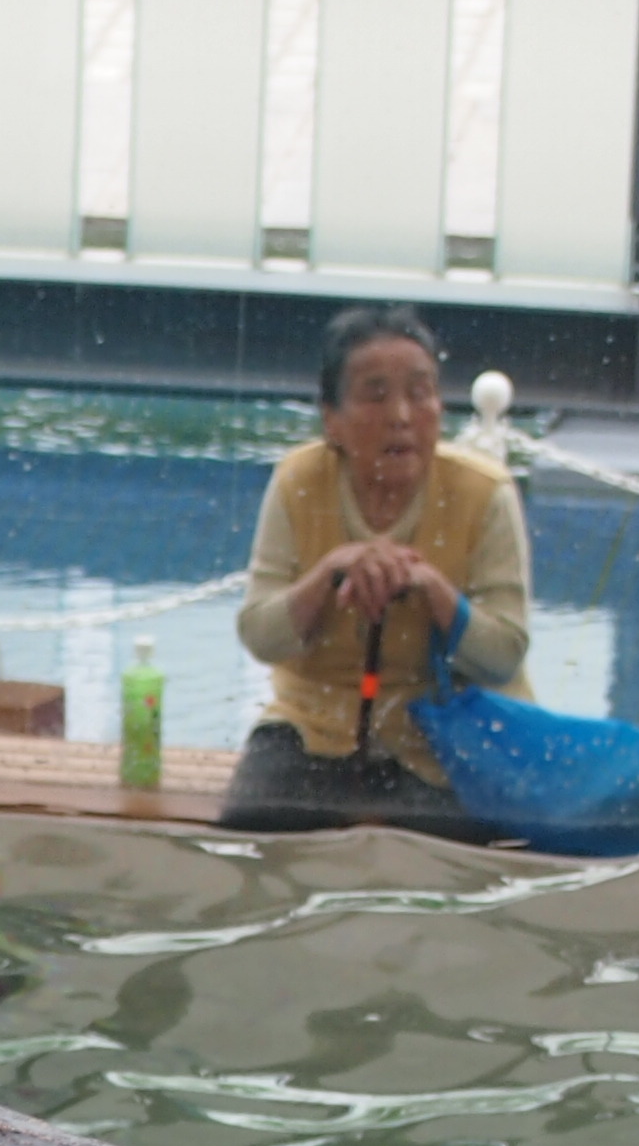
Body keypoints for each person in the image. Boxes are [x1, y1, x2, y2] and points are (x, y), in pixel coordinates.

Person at [221, 305, 534, 834]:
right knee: (253, 834)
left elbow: (504, 654)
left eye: (421, 392)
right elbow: (260, 635)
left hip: (451, 733)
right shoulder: (300, 481)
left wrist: (434, 590)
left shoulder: (484, 493)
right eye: (376, 395)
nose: (403, 416)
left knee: (455, 859)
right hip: (314, 725)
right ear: (333, 420)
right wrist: (329, 574)